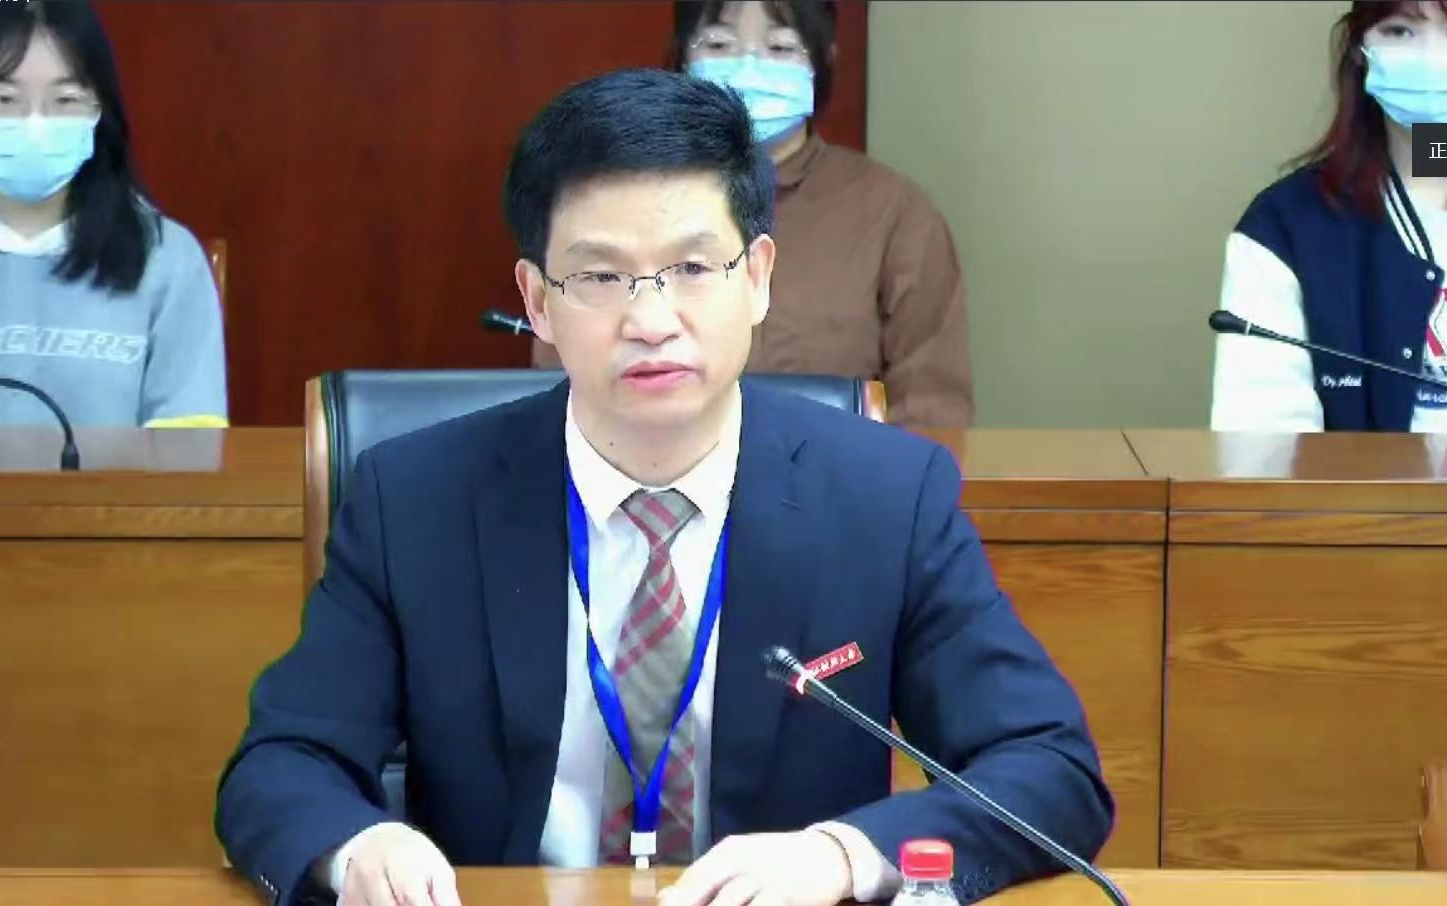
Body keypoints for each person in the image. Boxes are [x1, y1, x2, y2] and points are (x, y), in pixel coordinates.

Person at [215, 69, 1110, 906]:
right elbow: (281, 764)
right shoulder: (414, 500)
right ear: (536, 301)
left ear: (757, 278)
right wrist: (357, 846)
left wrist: (841, 856)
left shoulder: (885, 498)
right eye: (599, 276)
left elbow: (1049, 768)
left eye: (691, 268)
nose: (649, 319)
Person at [528, 1, 975, 430]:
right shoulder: (611, 200)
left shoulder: (894, 212)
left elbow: (932, 411)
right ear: (683, 56)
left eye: (780, 47)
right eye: (719, 45)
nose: (749, 68)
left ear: (823, 60)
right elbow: (560, 385)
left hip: (836, 479)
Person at [0, 0, 226, 428]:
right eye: (3, 98)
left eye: (65, 99)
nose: (35, 126)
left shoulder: (165, 259)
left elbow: (189, 454)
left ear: (99, 109)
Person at [1211, 0, 1447, 433]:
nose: (1432, 58)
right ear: (1359, 50)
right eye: (1399, 31)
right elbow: (1263, 447)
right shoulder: (1284, 226)